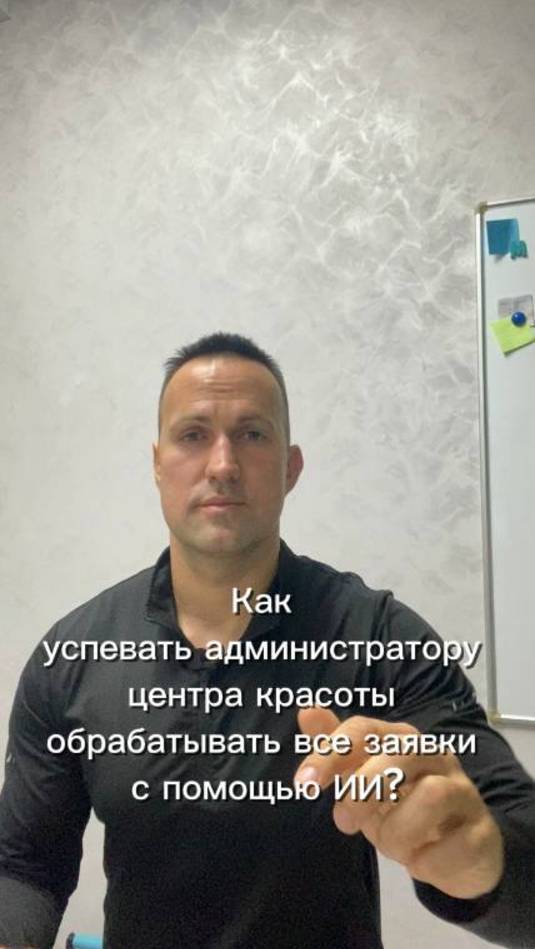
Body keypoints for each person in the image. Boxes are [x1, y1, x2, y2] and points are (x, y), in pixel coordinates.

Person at [0, 331, 534, 949]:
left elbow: (516, 834)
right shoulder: (71, 657)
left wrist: (480, 862)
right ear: (157, 464)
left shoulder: (379, 636)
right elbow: (25, 866)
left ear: (291, 468)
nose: (222, 465)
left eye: (252, 434)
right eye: (192, 435)